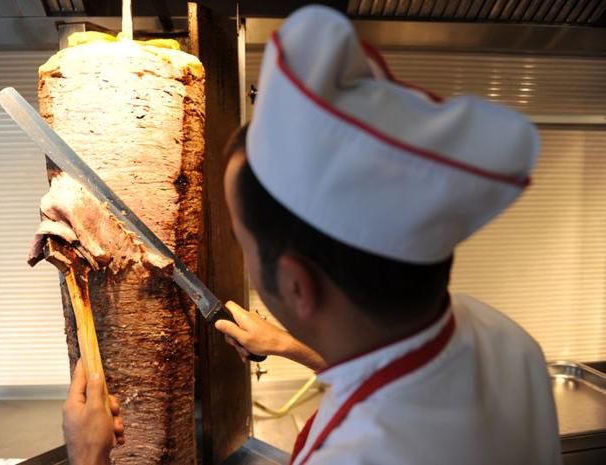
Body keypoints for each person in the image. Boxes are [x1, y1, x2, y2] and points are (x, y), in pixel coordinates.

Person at [62, 5, 561, 465]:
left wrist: (89, 459)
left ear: (297, 284)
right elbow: (388, 373)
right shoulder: (502, 338)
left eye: (241, 238)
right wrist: (290, 344)